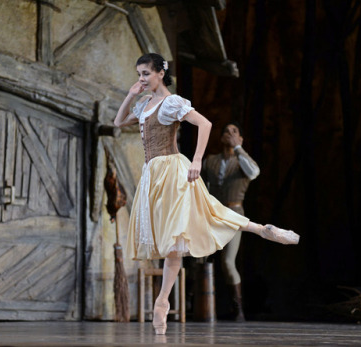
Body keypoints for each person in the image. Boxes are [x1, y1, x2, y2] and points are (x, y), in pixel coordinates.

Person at [113, 53, 299, 335]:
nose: (141, 79)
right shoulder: (144, 103)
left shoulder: (171, 102)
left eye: (146, 74)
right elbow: (118, 122)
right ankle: (261, 229)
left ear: (161, 73)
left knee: (183, 232)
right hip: (152, 174)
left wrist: (198, 160)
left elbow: (205, 124)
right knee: (176, 235)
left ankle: (162, 302)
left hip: (173, 171)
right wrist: (130, 94)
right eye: (139, 74)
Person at [203, 122, 259, 321]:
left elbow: (253, 172)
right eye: (226, 131)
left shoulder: (242, 161)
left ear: (241, 139)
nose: (230, 133)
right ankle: (202, 306)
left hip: (234, 214)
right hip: (212, 214)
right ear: (220, 138)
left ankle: (238, 310)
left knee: (227, 262)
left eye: (235, 131)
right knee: (201, 259)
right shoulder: (210, 161)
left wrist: (238, 148)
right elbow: (203, 188)